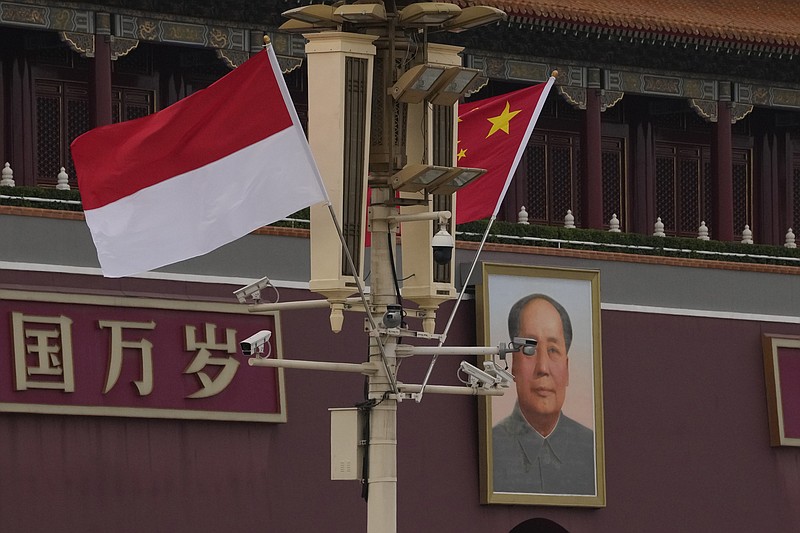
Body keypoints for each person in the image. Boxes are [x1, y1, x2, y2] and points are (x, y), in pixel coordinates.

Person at [492, 294, 595, 495]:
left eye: (553, 350)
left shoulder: (591, 449)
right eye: (530, 349)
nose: (543, 368)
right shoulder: (492, 447)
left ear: (567, 369)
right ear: (514, 364)